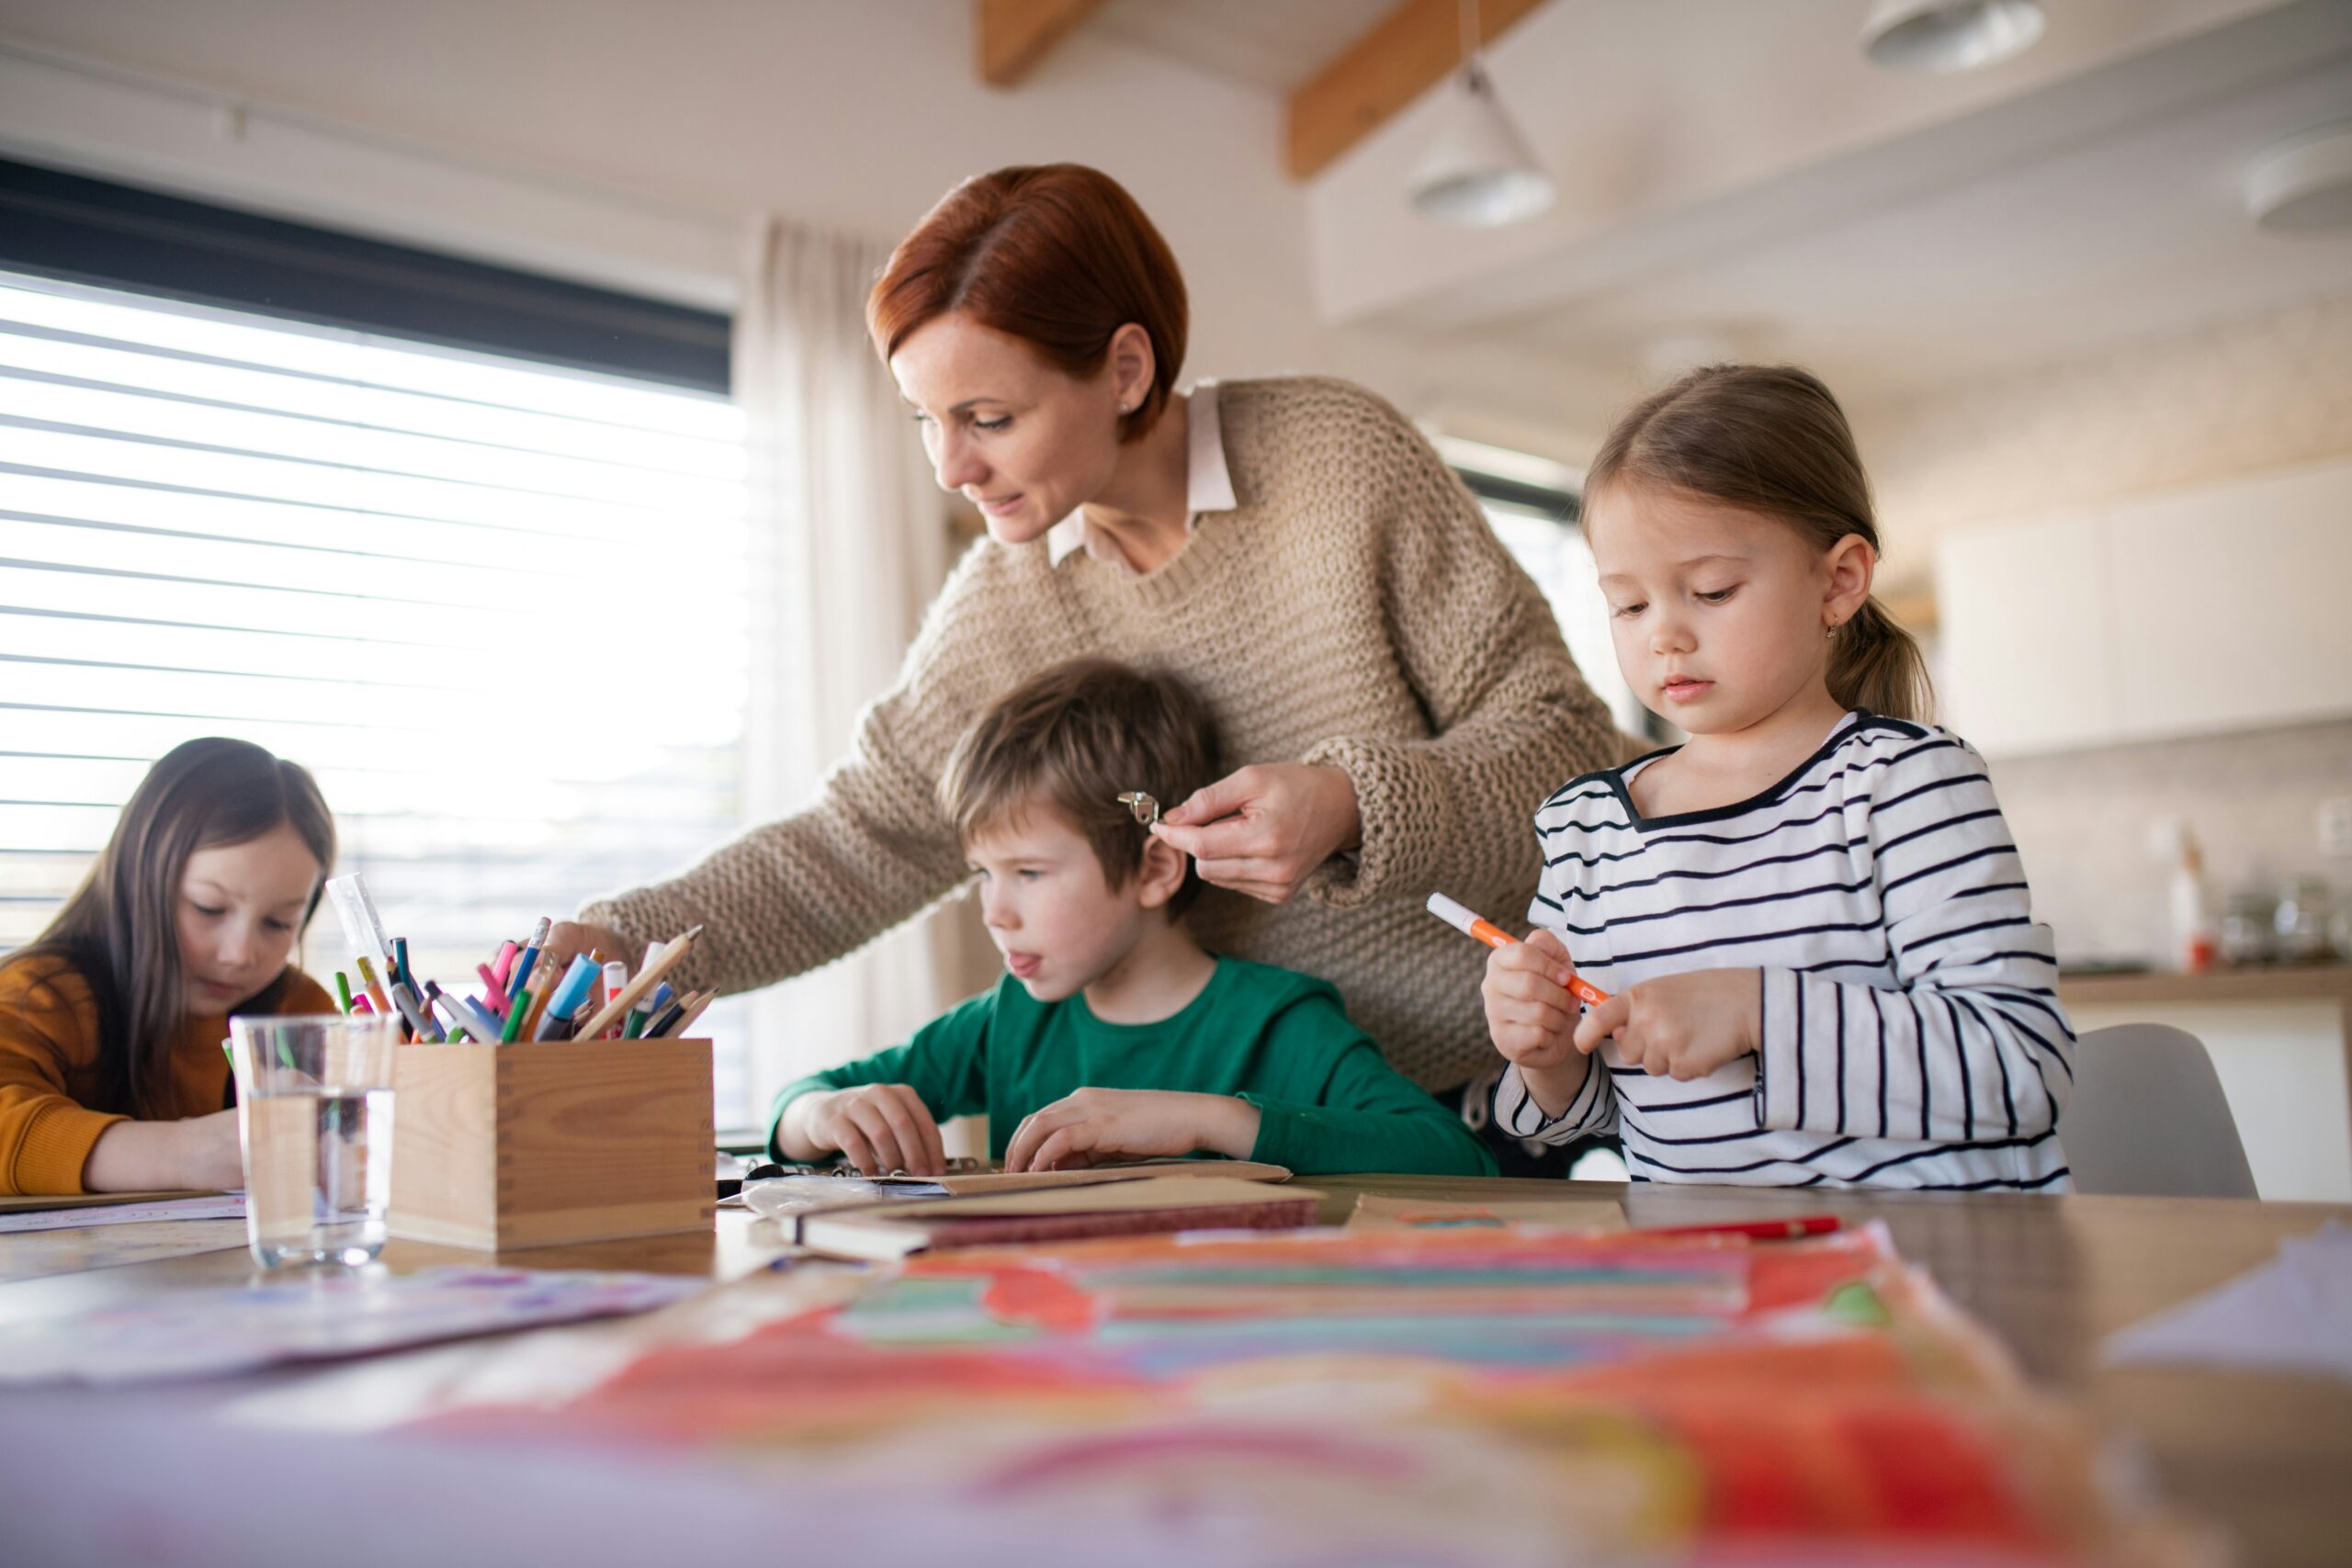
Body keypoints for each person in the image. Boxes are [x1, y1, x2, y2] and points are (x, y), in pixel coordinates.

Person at [550, 164, 1622, 1142]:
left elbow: (1572, 756)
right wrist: (624, 942)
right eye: (926, 420)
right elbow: (855, 841)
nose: (952, 466)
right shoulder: (1004, 606)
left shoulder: (1337, 466)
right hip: (1211, 1125)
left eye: (987, 416)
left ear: (1122, 367)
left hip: (1471, 1101)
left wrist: (1350, 801)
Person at [1480, 365, 2074, 1190]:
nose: (1665, 637)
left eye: (1712, 590)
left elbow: (2020, 1068)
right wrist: (1544, 1053)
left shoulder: (1903, 786)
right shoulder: (1588, 831)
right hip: (1712, 1287)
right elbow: (1602, 1110)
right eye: (1629, 605)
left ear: (1838, 582)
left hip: (1927, 1281)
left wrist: (1759, 1010)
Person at [771, 659, 1495, 1179]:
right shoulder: (1007, 1022)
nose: (995, 912)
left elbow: (1455, 1156)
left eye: (1028, 873)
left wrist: (1210, 1119)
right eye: (983, 875)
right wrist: (824, 1115)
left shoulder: (1277, 1023)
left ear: (1154, 868)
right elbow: (799, 1104)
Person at [0, 738, 339, 1196]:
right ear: (139, 878)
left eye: (278, 923)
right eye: (208, 908)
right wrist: (187, 1153)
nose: (239, 954)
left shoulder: (297, 1011)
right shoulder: (42, 996)